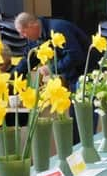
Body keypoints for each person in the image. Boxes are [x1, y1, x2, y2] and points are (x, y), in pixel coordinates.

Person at [13, 12, 93, 141]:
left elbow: (75, 55)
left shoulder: (58, 28)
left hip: (87, 74)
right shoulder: (38, 37)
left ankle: (86, 150)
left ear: (32, 25)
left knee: (83, 121)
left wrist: (52, 69)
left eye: (23, 32)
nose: (22, 36)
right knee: (76, 121)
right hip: (73, 77)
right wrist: (12, 78)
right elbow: (28, 60)